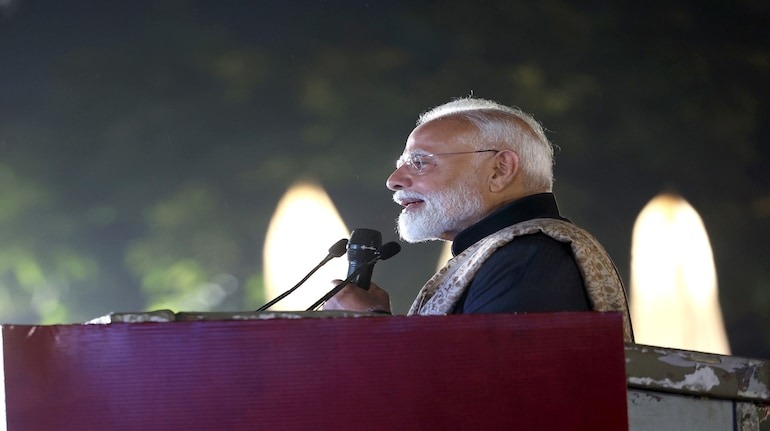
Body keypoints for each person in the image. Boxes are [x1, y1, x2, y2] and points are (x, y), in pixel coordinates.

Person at [324, 97, 633, 342]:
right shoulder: (508, 254)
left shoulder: (528, 256)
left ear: (500, 170)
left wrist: (370, 329)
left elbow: (486, 390)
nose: (394, 180)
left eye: (419, 162)